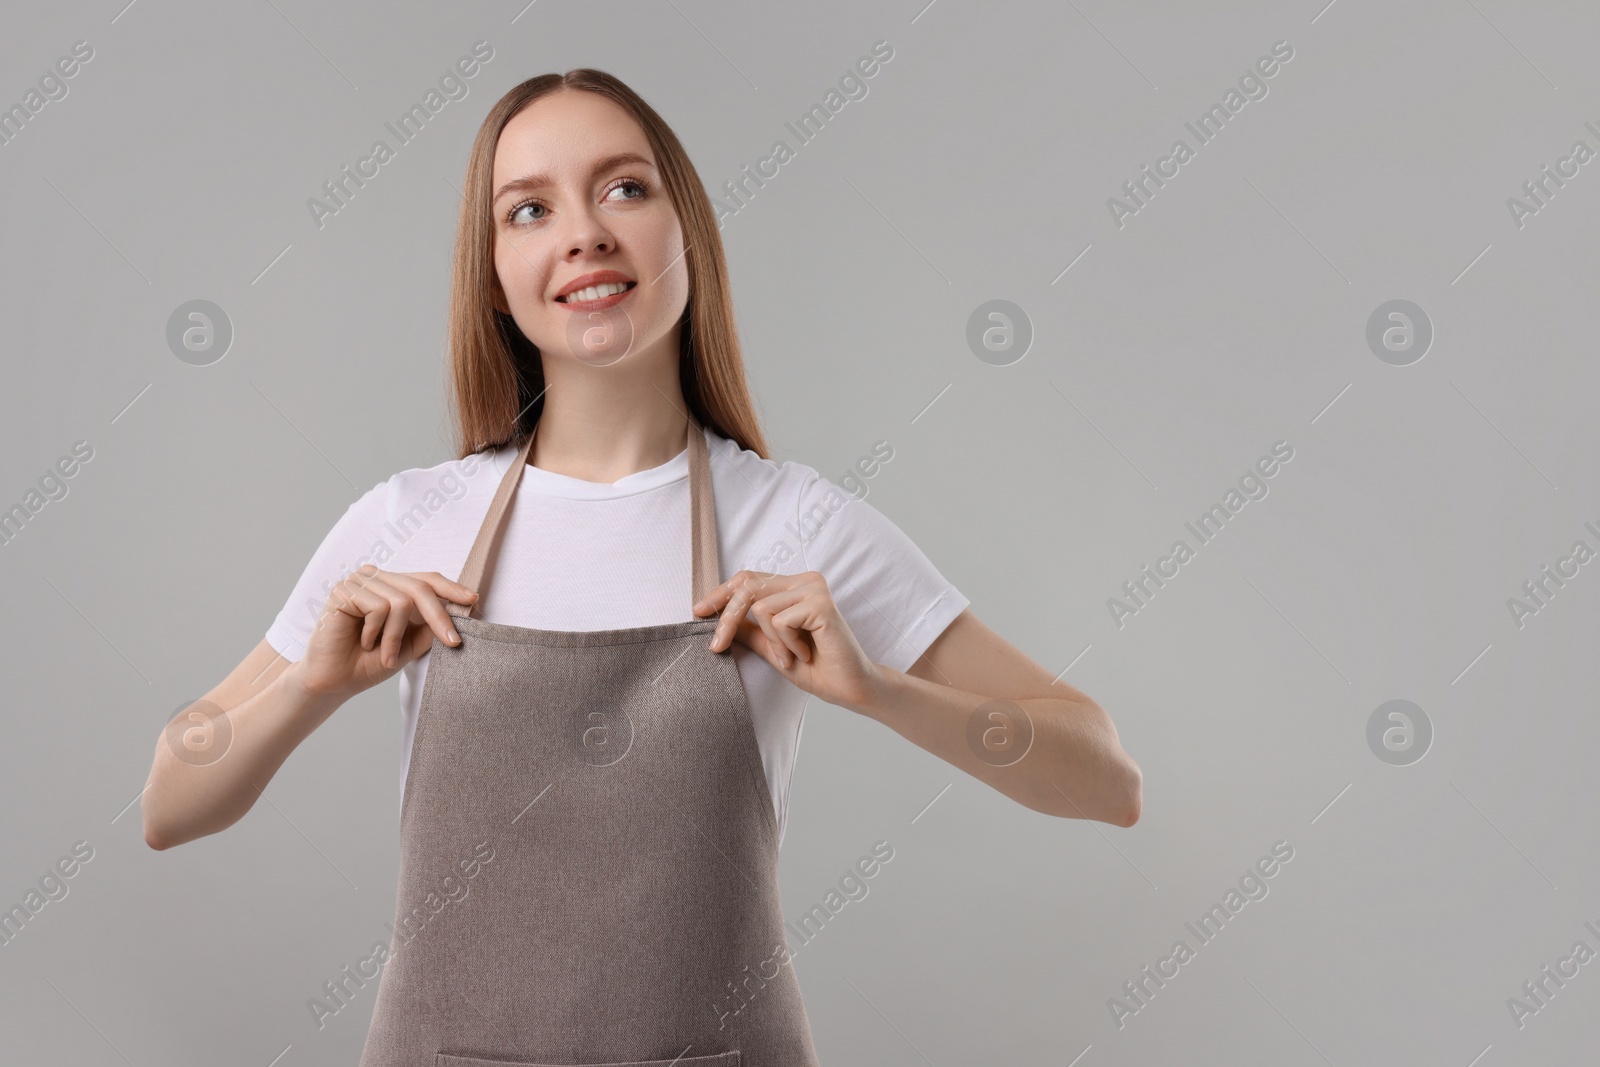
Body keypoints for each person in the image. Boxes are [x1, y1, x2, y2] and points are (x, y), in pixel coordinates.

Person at [142, 68, 1141, 1065]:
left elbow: (1104, 775)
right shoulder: (411, 521)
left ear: (686, 230)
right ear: (492, 276)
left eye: (624, 188)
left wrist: (877, 689)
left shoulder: (794, 522)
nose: (583, 231)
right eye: (529, 209)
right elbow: (169, 803)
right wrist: (310, 687)